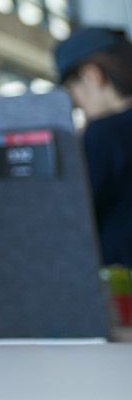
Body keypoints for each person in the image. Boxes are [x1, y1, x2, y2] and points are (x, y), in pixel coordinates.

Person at [54, 25, 132, 267]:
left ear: (92, 75)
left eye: (73, 89)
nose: (76, 102)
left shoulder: (104, 133)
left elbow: (81, 211)